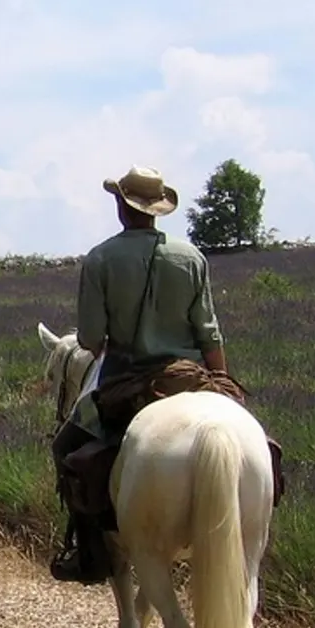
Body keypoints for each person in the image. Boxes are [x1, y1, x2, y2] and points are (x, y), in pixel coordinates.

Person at [48, 165, 232, 585]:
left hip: (126, 380)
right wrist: (222, 383)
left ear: (120, 206)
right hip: (190, 377)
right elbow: (209, 332)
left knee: (66, 449)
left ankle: (88, 554)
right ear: (157, 210)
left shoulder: (100, 259)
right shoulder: (191, 258)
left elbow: (92, 339)